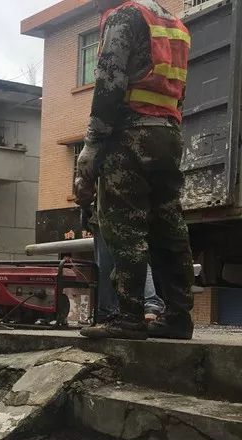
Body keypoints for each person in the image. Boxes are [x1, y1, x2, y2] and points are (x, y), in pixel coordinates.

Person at [75, 0, 194, 340]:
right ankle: (178, 317)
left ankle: (129, 318)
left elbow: (109, 81)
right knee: (168, 226)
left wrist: (94, 142)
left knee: (125, 227)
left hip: (129, 136)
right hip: (167, 135)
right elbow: (179, 92)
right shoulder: (175, 25)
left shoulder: (125, 16)